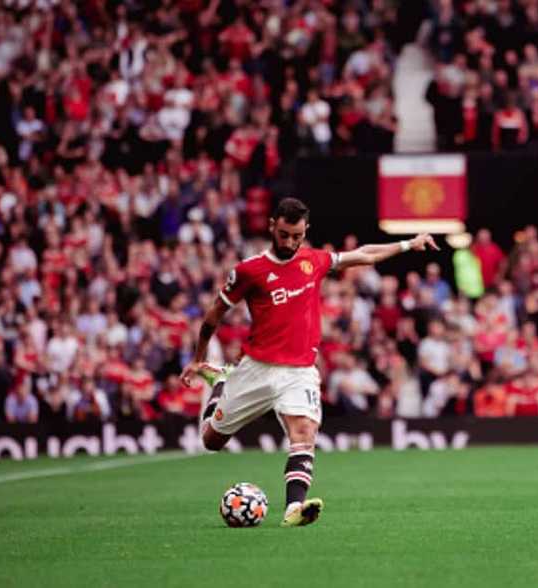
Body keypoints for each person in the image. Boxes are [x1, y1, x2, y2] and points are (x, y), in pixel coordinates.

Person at [181, 198, 438, 528]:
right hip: (256, 369)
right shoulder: (249, 270)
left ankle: (293, 509)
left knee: (303, 433)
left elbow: (365, 254)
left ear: (306, 232)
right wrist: (200, 358)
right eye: (285, 234)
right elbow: (214, 314)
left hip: (300, 370)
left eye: (297, 236)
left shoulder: (313, 260)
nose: (290, 242)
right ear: (273, 226)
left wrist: (407, 243)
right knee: (210, 441)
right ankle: (221, 383)